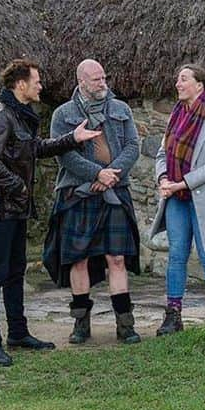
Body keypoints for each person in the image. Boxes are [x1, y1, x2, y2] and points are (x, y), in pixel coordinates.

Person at [0, 58, 100, 366]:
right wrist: (17, 185)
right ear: (21, 85)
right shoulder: (0, 117)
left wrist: (72, 139)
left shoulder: (20, 116)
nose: (40, 85)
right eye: (36, 81)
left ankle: (18, 332)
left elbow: (36, 149)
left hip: (16, 208)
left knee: (16, 271)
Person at [43, 59, 142, 345]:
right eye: (96, 79)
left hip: (114, 192)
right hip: (78, 194)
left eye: (103, 77)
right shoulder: (63, 114)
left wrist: (110, 176)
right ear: (82, 81)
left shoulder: (120, 109)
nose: (103, 83)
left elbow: (133, 146)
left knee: (118, 257)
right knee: (79, 259)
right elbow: (65, 154)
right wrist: (96, 173)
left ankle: (125, 324)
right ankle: (81, 324)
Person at [151, 64, 205, 334]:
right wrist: (163, 179)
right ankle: (173, 315)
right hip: (176, 197)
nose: (177, 83)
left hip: (204, 199)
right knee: (176, 255)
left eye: (183, 79)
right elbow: (161, 154)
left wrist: (182, 182)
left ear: (199, 85)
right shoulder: (175, 116)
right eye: (177, 79)